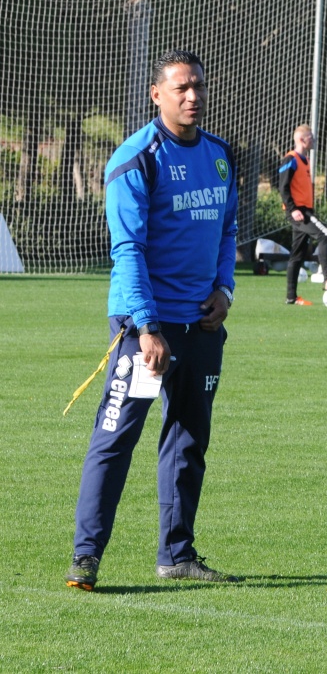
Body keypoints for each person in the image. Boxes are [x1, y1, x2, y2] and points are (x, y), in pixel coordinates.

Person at [65, 49, 239, 590]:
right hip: (148, 331)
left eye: (199, 86)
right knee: (115, 439)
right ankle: (86, 559)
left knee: (189, 440)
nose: (193, 96)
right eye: (182, 88)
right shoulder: (135, 159)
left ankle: (177, 553)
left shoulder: (220, 155)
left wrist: (225, 289)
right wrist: (146, 326)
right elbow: (129, 250)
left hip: (202, 326)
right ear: (155, 94)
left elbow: (229, 230)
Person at [278, 124, 327, 305]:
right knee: (325, 234)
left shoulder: (305, 160)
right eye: (310, 137)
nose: (313, 140)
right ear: (301, 139)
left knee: (297, 254)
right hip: (299, 212)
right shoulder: (290, 159)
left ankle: (291, 297)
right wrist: (292, 209)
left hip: (304, 211)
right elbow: (283, 187)